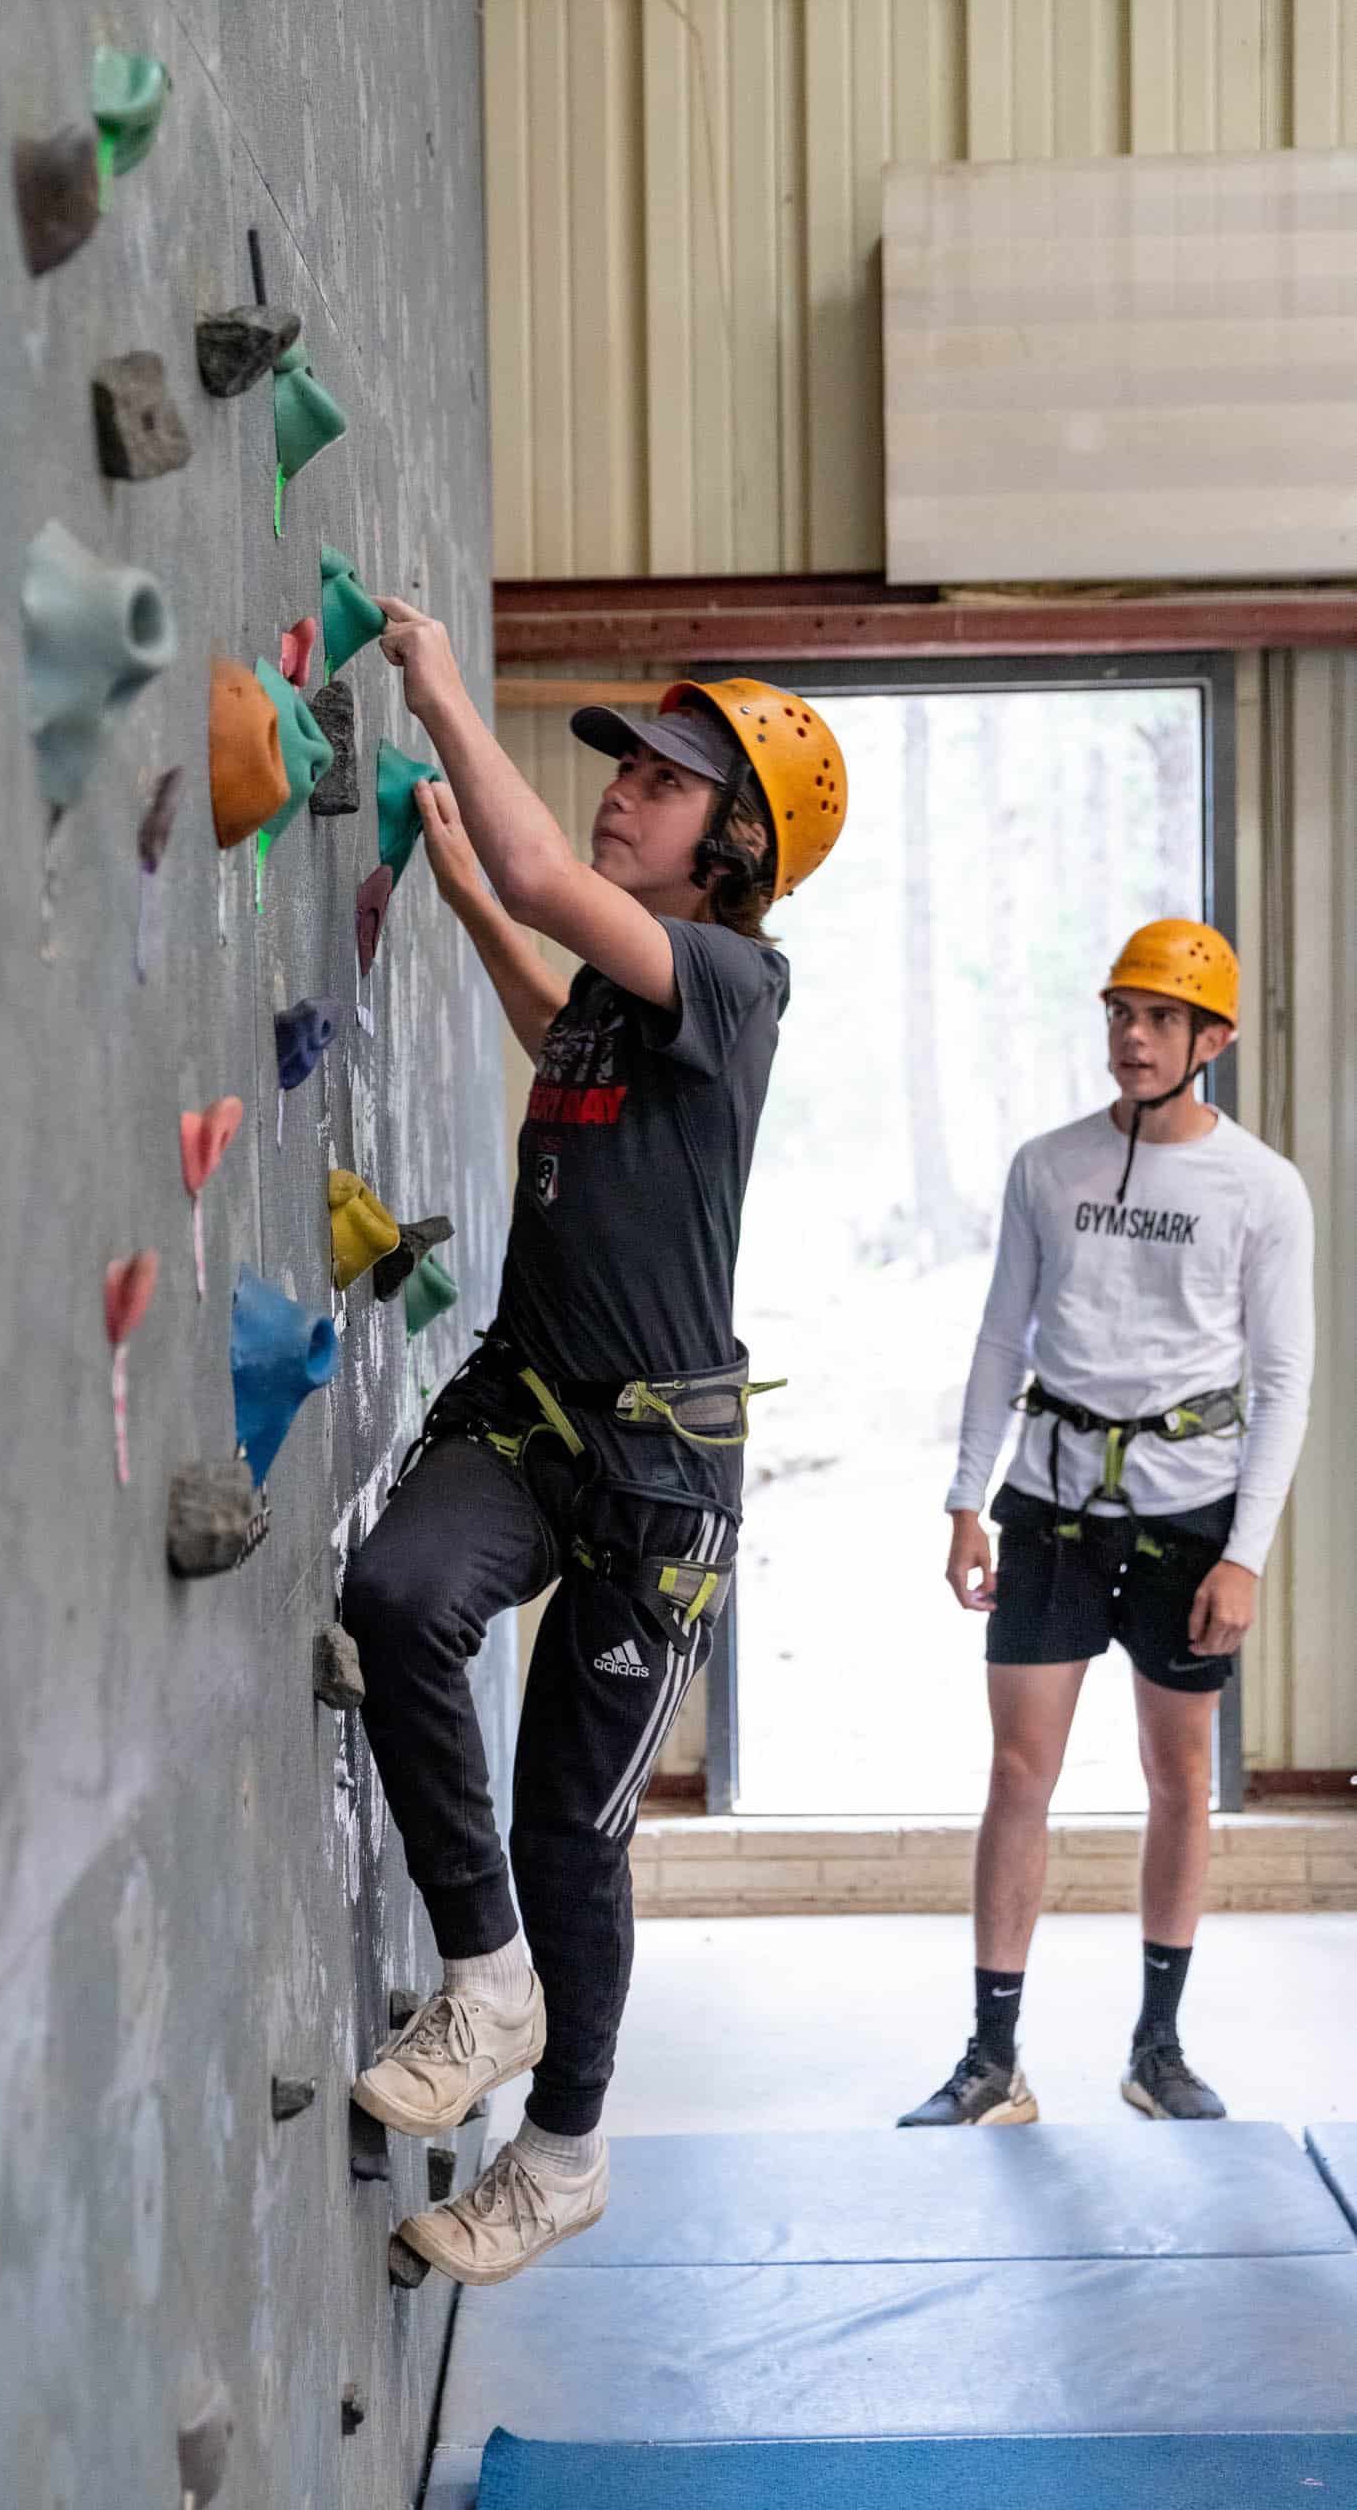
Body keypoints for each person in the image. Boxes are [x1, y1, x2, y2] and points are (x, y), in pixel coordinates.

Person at [342, 599, 847, 2283]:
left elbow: (564, 889)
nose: (626, 791)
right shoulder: (625, 1008)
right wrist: (474, 894)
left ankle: (560, 2154)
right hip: (528, 1415)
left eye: (664, 782)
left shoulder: (731, 979)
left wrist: (433, 687)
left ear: (737, 848)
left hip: (651, 1483)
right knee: (398, 1595)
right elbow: (548, 995)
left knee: (575, 1823)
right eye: (621, 766)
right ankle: (485, 1977)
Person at [900, 921, 1314, 2130]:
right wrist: (966, 1498)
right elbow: (999, 1338)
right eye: (1120, 1013)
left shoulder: (1261, 1188)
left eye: (1160, 1018)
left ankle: (1159, 2049)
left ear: (1212, 1039)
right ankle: (992, 2060)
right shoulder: (1049, 1166)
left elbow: (1285, 1381)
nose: (1132, 1036)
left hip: (1192, 1518)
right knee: (1018, 1773)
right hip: (1052, 1507)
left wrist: (1245, 1556)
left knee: (1177, 1778)